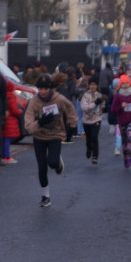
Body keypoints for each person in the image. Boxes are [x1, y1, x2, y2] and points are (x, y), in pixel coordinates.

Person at [24, 74, 77, 207]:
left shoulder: (58, 99)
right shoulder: (34, 102)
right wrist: (40, 122)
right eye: (40, 88)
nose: (42, 92)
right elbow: (28, 126)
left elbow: (70, 107)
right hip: (39, 136)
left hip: (55, 135)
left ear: (50, 89)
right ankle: (45, 196)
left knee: (52, 162)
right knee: (42, 167)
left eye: (45, 89)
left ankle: (58, 163)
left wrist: (72, 123)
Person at [110, 75, 131, 169]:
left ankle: (130, 157)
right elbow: (113, 110)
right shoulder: (118, 96)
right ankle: (126, 158)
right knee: (124, 140)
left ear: (129, 83)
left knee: (129, 135)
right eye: (123, 83)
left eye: (127, 82)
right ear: (120, 85)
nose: (125, 85)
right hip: (122, 121)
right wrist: (121, 107)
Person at [80, 79, 106, 164]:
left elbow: (103, 107)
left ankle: (95, 156)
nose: (93, 86)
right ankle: (89, 148)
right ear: (89, 85)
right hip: (86, 120)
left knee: (94, 136)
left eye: (94, 84)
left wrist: (103, 105)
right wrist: (95, 103)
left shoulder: (99, 95)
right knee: (89, 138)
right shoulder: (85, 96)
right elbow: (84, 108)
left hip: (97, 119)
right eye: (91, 84)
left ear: (97, 86)